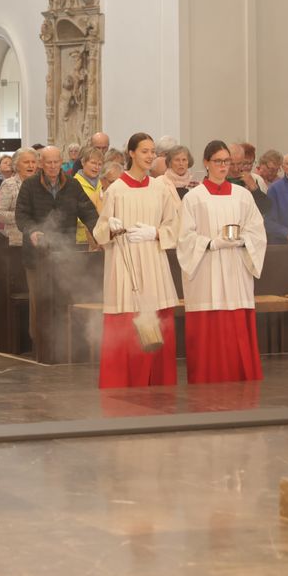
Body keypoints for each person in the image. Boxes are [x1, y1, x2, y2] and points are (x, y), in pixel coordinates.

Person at [92, 133, 181, 389]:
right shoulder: (116, 189)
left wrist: (155, 233)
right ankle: (123, 382)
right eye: (144, 151)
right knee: (127, 321)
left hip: (153, 261)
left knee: (158, 323)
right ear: (131, 153)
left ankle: (159, 383)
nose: (150, 156)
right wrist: (111, 226)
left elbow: (176, 225)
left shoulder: (161, 188)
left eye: (153, 151)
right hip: (125, 264)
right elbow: (99, 231)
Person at [177, 140, 267, 384]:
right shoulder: (193, 198)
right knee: (209, 327)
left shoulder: (243, 195)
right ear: (206, 163)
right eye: (218, 161)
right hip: (206, 268)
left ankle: (241, 375)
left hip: (235, 267)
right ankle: (207, 376)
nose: (223, 166)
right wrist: (211, 243)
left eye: (227, 161)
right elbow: (184, 237)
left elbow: (257, 231)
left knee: (235, 323)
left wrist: (242, 241)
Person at [0, 148, 38, 244]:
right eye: (26, 162)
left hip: (37, 242)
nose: (31, 165)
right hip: (16, 242)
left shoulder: (40, 184)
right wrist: (22, 217)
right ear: (16, 165)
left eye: (33, 162)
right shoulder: (9, 184)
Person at [72, 145, 105, 245]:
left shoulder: (103, 183)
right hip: (81, 240)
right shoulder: (73, 184)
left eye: (100, 164)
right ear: (83, 163)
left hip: (100, 237)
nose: (96, 167)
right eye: (93, 163)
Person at [228, 143, 272, 215]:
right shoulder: (220, 179)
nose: (248, 167)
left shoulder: (257, 179)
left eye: (251, 163)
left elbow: (265, 209)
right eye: (245, 163)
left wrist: (254, 189)